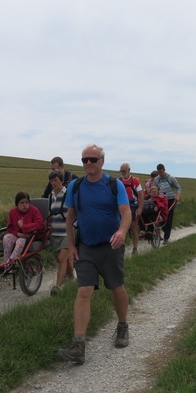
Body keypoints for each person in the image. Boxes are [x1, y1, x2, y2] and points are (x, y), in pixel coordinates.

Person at [56, 144, 131, 364]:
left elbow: (125, 213)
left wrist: (122, 231)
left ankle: (122, 325)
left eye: (93, 159)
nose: (88, 163)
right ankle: (78, 344)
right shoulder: (75, 186)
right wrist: (71, 246)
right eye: (84, 160)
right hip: (86, 246)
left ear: (102, 161)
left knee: (116, 287)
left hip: (111, 246)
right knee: (84, 291)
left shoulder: (113, 184)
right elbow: (70, 217)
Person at [48, 169, 75, 296]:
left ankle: (57, 287)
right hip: (54, 233)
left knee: (62, 258)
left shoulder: (68, 193)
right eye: (51, 181)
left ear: (61, 181)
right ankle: (72, 279)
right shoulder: (50, 196)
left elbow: (74, 211)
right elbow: (50, 214)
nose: (53, 183)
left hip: (67, 232)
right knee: (63, 260)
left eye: (56, 180)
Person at [2, 191, 45, 266]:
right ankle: (5, 262)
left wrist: (24, 227)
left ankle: (11, 262)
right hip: (17, 234)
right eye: (21, 203)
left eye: (26, 202)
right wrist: (18, 234)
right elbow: (10, 227)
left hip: (30, 236)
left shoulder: (34, 210)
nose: (24, 205)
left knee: (20, 241)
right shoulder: (13, 212)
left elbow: (41, 224)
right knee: (6, 238)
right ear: (17, 204)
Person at [153, 163, 182, 244]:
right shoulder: (156, 179)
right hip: (160, 201)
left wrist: (177, 195)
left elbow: (178, 188)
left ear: (164, 170)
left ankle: (166, 238)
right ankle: (165, 230)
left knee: (169, 218)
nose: (160, 174)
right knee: (161, 217)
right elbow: (154, 188)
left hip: (170, 199)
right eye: (159, 172)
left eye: (161, 172)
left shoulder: (171, 178)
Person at [119, 163, 144, 255]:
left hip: (133, 205)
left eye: (124, 171)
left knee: (133, 227)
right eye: (121, 171)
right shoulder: (118, 181)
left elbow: (140, 194)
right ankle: (121, 249)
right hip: (121, 206)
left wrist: (140, 207)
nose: (122, 172)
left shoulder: (135, 180)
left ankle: (135, 248)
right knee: (120, 228)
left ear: (129, 170)